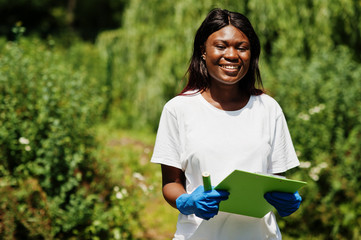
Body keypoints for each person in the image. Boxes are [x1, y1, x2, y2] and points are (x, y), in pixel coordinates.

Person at [151, 8, 302, 240]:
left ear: (251, 54)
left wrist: (287, 199)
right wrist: (185, 201)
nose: (231, 55)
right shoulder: (178, 109)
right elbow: (171, 183)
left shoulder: (268, 109)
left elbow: (275, 181)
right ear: (203, 50)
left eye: (242, 47)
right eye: (221, 46)